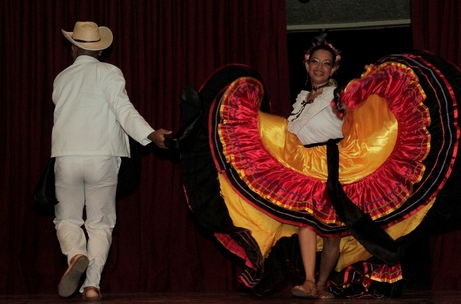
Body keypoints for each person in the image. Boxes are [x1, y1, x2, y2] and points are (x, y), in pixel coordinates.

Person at [51, 21, 171, 301]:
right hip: (102, 157)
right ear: (102, 51)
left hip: (66, 156)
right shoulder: (109, 72)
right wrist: (150, 134)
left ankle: (75, 253)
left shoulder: (61, 78)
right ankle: (91, 286)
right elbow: (122, 109)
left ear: (72, 48)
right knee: (100, 223)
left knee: (67, 219)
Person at [287, 41, 343, 299]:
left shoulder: (339, 96)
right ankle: (309, 281)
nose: (320, 67)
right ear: (306, 65)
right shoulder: (300, 99)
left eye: (326, 63)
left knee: (333, 228)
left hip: (334, 163)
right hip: (306, 164)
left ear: (333, 69)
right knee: (306, 221)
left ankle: (322, 283)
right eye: (315, 61)